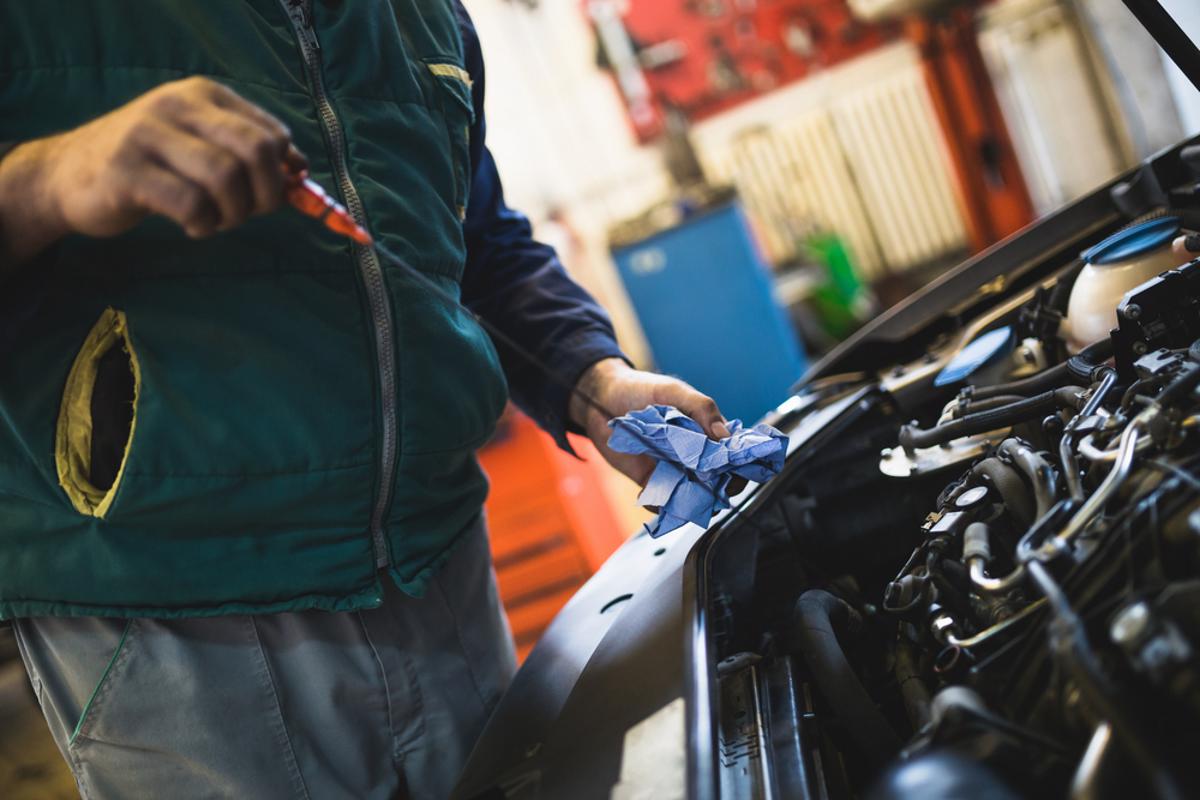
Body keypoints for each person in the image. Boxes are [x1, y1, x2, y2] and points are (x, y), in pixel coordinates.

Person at [0, 2, 731, 798]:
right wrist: (44, 180)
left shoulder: (427, 16)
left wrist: (595, 380)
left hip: (442, 576)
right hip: (175, 615)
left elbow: (472, 242)